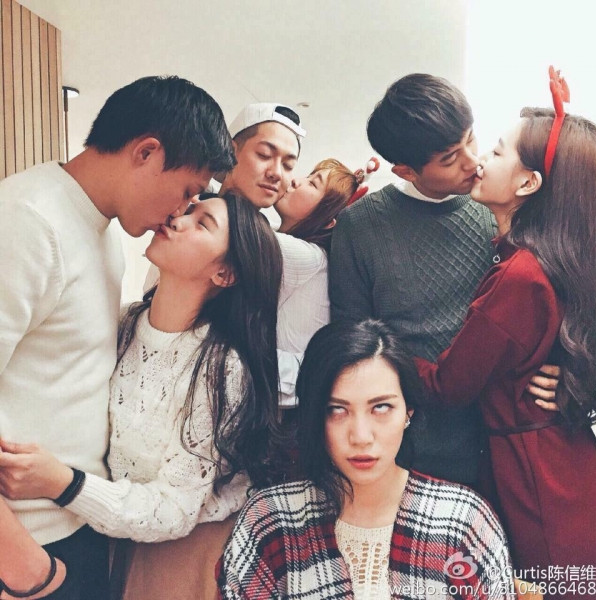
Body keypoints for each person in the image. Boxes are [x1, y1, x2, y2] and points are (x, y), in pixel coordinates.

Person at [0, 76, 234, 598]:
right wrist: (25, 569)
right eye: (187, 191)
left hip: (77, 526)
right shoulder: (28, 220)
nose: (181, 210)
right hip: (28, 545)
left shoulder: (99, 228)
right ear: (147, 152)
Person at [0, 192, 283, 599]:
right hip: (108, 539)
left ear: (224, 273)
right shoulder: (126, 323)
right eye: (189, 210)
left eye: (202, 223)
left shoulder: (221, 368)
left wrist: (60, 481)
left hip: (184, 556)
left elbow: (175, 510)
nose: (178, 219)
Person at [329, 73, 555, 487]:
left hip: (503, 443)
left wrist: (570, 377)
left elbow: (554, 304)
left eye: (471, 140)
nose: (473, 162)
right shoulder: (359, 226)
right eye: (450, 159)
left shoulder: (499, 205)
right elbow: (352, 340)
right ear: (406, 170)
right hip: (412, 450)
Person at [415, 95, 596, 597]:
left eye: (496, 152)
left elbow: (448, 386)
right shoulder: (549, 259)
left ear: (527, 184)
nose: (480, 161)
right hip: (561, 468)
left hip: (539, 484)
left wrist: (382, 350)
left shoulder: (522, 276)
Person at [218, 319, 514, 599]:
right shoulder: (270, 521)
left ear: (408, 412)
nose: (361, 436)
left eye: (381, 407)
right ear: (314, 417)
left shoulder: (463, 521)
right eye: (337, 410)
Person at [272, 158, 364, 406]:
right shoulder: (288, 242)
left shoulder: (308, 256)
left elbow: (236, 226)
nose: (294, 181)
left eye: (313, 183)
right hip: (278, 384)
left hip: (288, 392)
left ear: (328, 221)